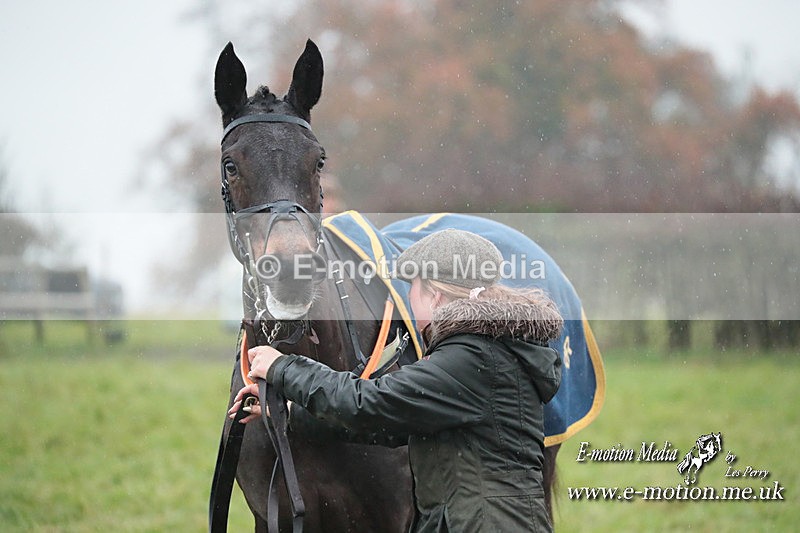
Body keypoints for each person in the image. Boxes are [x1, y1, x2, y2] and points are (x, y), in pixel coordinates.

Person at [229, 229, 563, 532]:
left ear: (435, 296)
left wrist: (283, 367)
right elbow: (386, 424)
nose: (410, 300)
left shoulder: (470, 359)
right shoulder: (481, 352)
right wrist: (286, 412)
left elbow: (367, 402)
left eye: (413, 289)